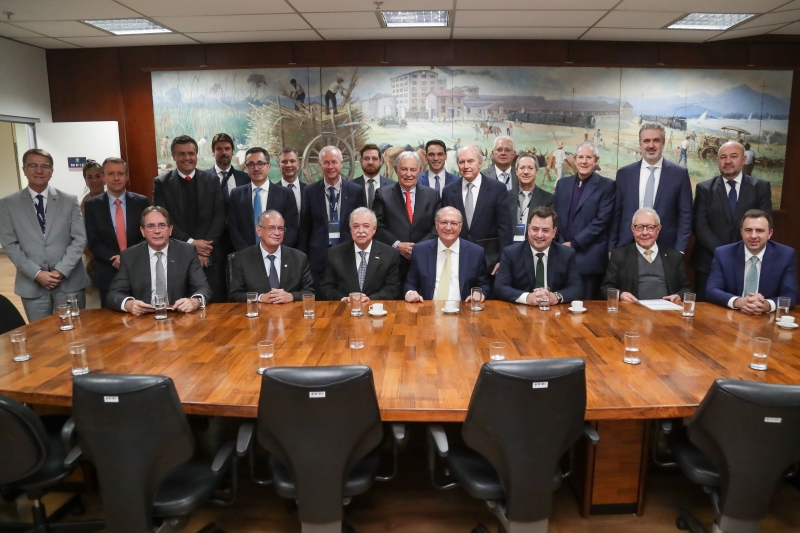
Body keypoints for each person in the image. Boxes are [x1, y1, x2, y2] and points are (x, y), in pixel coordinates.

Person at [0, 149, 89, 322]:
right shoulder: (8, 204)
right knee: (41, 338)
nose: (39, 171)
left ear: (52, 171)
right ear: (24, 169)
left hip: (69, 282)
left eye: (45, 166)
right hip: (32, 284)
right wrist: (37, 273)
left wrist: (60, 271)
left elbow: (80, 239)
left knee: (75, 332)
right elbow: (9, 244)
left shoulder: (69, 200)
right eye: (32, 165)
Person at [690, 141, 772, 301]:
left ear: (743, 159)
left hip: (747, 262)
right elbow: (700, 226)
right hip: (709, 263)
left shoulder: (760, 188)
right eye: (723, 157)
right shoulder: (704, 189)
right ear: (718, 161)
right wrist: (725, 254)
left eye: (733, 156)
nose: (728, 161)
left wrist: (740, 252)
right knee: (705, 319)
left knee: (744, 313)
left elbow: (764, 225)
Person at [107, 206, 211, 315]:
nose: (157, 231)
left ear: (170, 230)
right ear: (142, 231)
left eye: (162, 226)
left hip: (178, 316)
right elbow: (114, 294)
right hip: (142, 318)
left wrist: (194, 301)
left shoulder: (186, 251)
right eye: (151, 226)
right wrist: (129, 304)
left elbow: (203, 288)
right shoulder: (130, 256)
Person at [611, 122, 692, 253]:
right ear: (640, 144)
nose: (651, 145)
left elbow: (685, 216)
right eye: (646, 141)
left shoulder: (679, 174)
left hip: (666, 250)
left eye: (656, 140)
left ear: (663, 142)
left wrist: (679, 251)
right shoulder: (624, 174)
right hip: (627, 248)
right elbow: (616, 214)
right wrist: (612, 247)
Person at [84, 157, 150, 307]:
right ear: (103, 177)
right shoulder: (92, 205)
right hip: (108, 270)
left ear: (126, 176)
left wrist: (127, 257)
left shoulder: (141, 202)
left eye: (120, 174)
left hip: (139, 269)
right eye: (111, 174)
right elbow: (93, 241)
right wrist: (114, 258)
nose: (116, 178)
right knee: (110, 323)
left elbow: (147, 235)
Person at [298, 145, 367, 288]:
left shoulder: (356, 191)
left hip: (348, 255)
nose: (330, 166)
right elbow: (305, 227)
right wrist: (302, 259)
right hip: (318, 258)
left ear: (341, 164)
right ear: (320, 165)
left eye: (334, 162)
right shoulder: (310, 191)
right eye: (326, 162)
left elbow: (363, 225)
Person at [553, 142, 615, 299]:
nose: (584, 161)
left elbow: (601, 221)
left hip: (589, 259)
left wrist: (573, 244)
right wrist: (561, 244)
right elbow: (555, 217)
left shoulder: (607, 186)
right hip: (561, 256)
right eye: (580, 157)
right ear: (574, 159)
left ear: (596, 160)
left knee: (587, 312)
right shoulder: (562, 184)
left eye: (589, 157)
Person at [706, 210, 797, 314]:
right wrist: (738, 302)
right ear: (741, 232)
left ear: (770, 233)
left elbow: (790, 295)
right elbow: (711, 290)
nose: (753, 236)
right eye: (748, 230)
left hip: (766, 319)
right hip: (732, 316)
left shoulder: (785, 255)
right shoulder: (723, 253)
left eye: (759, 230)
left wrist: (767, 305)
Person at [441, 145, 512, 276]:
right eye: (461, 162)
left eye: (470, 161)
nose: (466, 166)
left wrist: (503, 259)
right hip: (456, 260)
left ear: (480, 163)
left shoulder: (497, 189)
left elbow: (505, 228)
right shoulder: (449, 191)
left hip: (489, 262)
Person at [372, 151, 441, 279]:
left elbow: (437, 227)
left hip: (424, 262)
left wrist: (419, 248)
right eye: (404, 169)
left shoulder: (433, 195)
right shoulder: (382, 194)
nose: (408, 174)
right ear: (396, 169)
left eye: (413, 170)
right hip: (392, 264)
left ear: (419, 170)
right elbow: (377, 227)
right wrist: (397, 245)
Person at [494, 206, 582, 306]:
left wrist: (556, 297)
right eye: (535, 229)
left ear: (554, 232)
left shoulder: (567, 254)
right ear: (528, 229)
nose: (539, 235)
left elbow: (576, 288)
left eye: (545, 230)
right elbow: (500, 287)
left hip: (555, 312)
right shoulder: (511, 253)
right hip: (520, 312)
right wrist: (527, 297)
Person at [601, 208, 690, 303]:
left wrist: (679, 296)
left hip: (666, 312)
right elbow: (606, 288)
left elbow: (686, 290)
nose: (644, 233)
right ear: (633, 229)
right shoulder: (620, 255)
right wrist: (621, 295)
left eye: (650, 227)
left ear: (658, 229)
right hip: (632, 311)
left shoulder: (674, 256)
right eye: (639, 227)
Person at [404, 207, 490, 302]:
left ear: (460, 226)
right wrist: (410, 292)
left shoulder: (476, 252)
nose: (448, 227)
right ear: (436, 224)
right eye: (444, 222)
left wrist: (481, 293)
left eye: (454, 223)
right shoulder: (420, 251)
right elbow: (410, 283)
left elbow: (484, 284)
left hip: (463, 310)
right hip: (428, 310)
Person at [228, 210, 313, 303]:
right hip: (257, 314)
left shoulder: (299, 258)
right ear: (259, 231)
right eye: (271, 228)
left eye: (280, 228)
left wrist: (292, 296)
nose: (277, 233)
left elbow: (310, 292)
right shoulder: (242, 258)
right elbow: (234, 295)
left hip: (291, 315)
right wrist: (260, 298)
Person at [319, 207, 401, 301]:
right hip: (345, 309)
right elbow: (326, 288)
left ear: (374, 229)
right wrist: (343, 299)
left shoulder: (390, 254)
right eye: (356, 226)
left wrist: (370, 299)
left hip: (376, 309)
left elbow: (392, 288)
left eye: (366, 226)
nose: (360, 231)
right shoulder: (335, 254)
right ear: (350, 230)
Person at [228, 147, 298, 251]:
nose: (256, 168)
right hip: (246, 257)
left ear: (268, 166)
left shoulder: (286, 194)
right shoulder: (236, 195)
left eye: (260, 163)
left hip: (277, 256)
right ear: (246, 168)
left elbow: (291, 228)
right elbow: (233, 229)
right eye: (251, 164)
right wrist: (248, 254)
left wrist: (274, 250)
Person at [79, 159, 105, 293]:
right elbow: (81, 234)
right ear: (85, 180)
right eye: (90, 177)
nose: (95, 181)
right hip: (92, 257)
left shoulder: (113, 198)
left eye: (98, 176)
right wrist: (94, 257)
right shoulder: (85, 203)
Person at [508, 152, 554, 228]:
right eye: (522, 168)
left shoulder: (548, 199)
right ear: (516, 171)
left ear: (536, 172)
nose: (526, 172)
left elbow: (550, 229)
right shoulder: (505, 197)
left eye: (530, 168)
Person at [205, 133, 249, 200]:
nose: (224, 152)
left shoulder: (245, 178)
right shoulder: (203, 178)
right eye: (219, 149)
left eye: (227, 149)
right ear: (213, 152)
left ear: (232, 152)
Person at [352, 143, 393, 209]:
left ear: (380, 161)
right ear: (361, 161)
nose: (370, 162)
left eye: (374, 158)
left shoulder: (393, 187)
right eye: (366, 158)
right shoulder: (351, 187)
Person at [277, 147, 305, 214]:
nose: (289, 165)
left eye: (292, 161)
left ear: (298, 164)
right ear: (279, 165)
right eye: (284, 162)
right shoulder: (272, 192)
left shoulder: (308, 191)